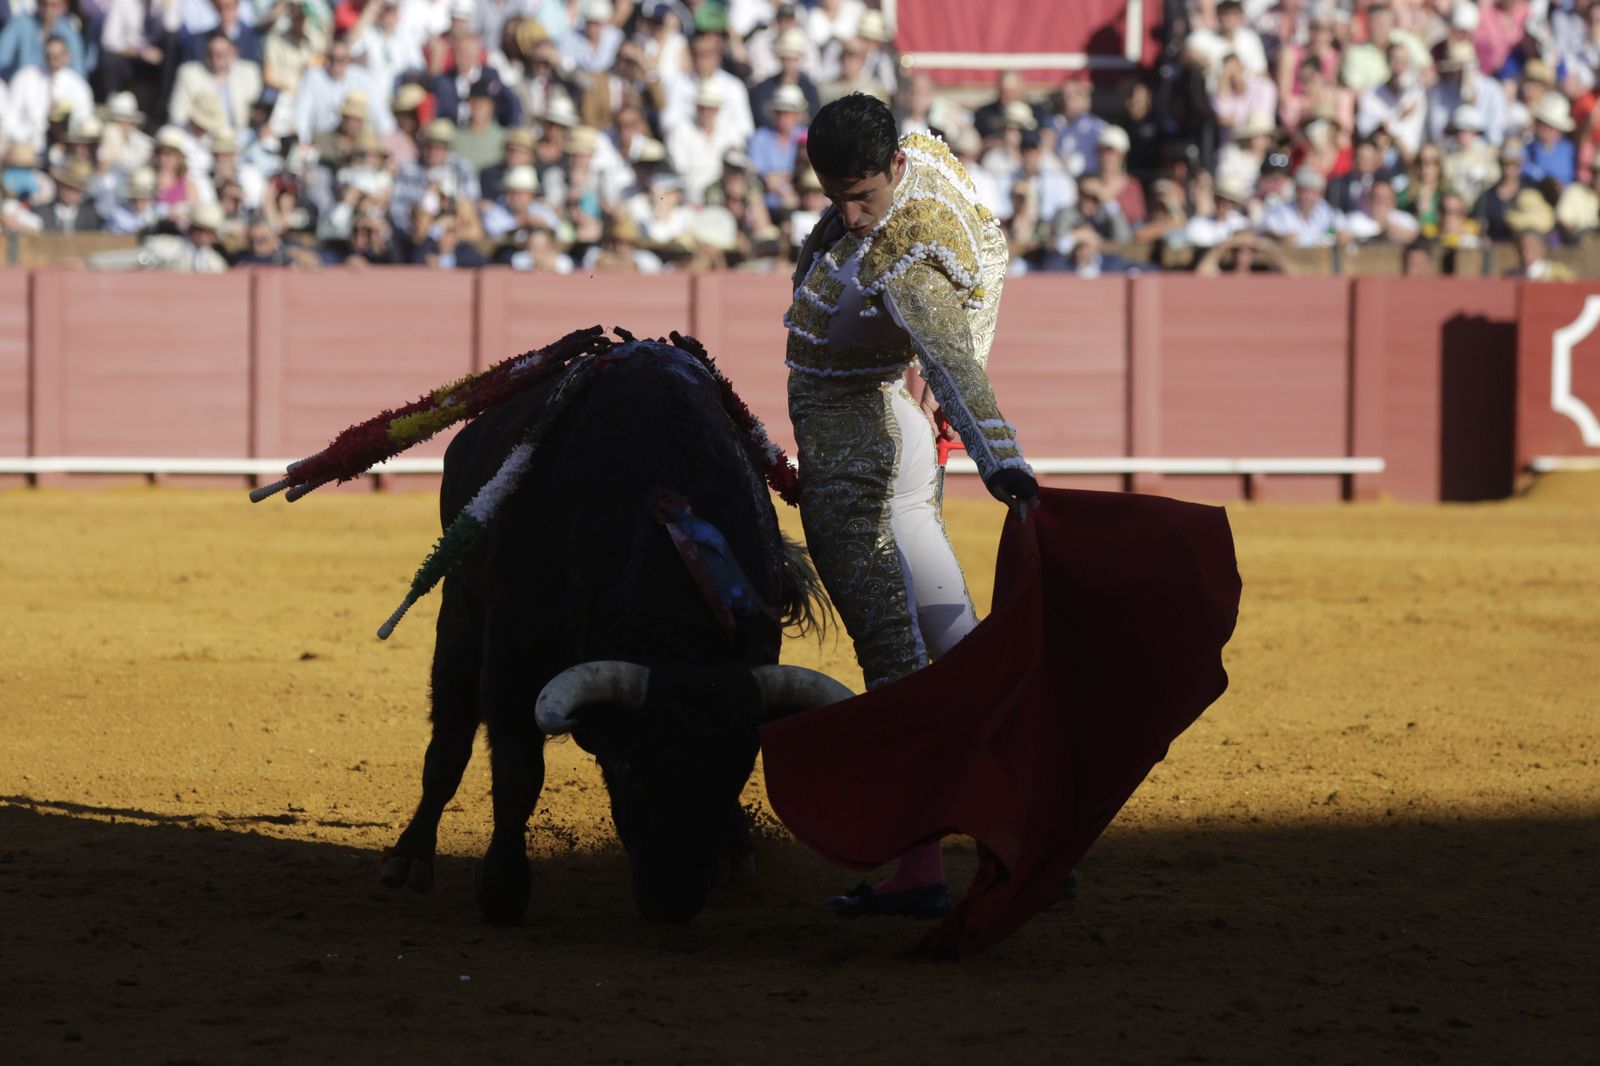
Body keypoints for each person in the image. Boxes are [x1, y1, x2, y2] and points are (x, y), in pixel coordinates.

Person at [783, 93, 1036, 919]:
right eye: (837, 199)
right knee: (959, 653)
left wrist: (1003, 463)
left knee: (894, 669)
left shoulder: (910, 258)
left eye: (865, 196)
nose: (854, 218)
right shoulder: (918, 163)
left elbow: (953, 361)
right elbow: (991, 258)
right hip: (898, 437)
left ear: (894, 167)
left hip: (859, 461)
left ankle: (920, 869)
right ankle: (1031, 836)